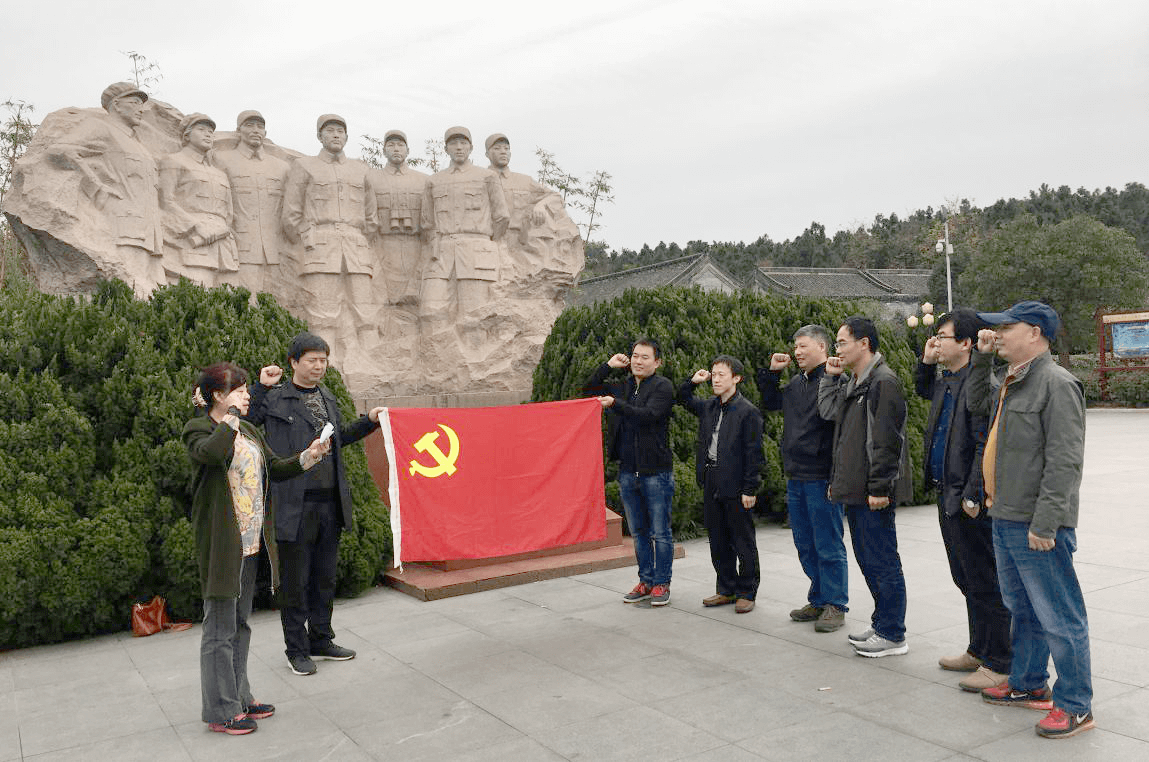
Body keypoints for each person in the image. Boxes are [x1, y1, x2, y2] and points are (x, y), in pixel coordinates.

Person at [967, 301, 1094, 739]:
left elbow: (1064, 461)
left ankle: (1075, 705)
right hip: (1005, 514)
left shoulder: (1057, 384)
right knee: (1022, 609)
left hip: (1036, 524)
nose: (998, 334)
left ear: (1035, 333)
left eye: (1007, 327)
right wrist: (982, 357)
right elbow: (975, 403)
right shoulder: (1012, 380)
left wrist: (1047, 523)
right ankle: (1028, 682)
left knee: (1059, 615)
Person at [184, 362, 329, 734]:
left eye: (246, 389)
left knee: (240, 624)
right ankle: (220, 710)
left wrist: (309, 455)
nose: (247, 396)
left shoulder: (247, 429)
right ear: (218, 395)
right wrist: (230, 418)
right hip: (222, 544)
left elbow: (274, 467)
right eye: (240, 390)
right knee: (219, 629)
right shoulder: (199, 429)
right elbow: (213, 454)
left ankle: (240, 697)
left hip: (251, 543)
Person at [246, 332, 385, 676]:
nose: (319, 366)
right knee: (295, 583)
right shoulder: (276, 398)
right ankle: (296, 649)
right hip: (294, 505)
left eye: (323, 360)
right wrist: (260, 386)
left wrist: (369, 420)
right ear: (294, 362)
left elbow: (338, 439)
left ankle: (321, 638)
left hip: (329, 504)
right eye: (312, 360)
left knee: (324, 578)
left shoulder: (326, 397)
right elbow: (248, 422)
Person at [915, 308, 1011, 692]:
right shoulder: (948, 380)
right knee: (965, 576)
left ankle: (1000, 661)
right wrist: (926, 363)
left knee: (984, 579)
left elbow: (983, 444)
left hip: (967, 496)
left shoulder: (980, 383)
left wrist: (974, 493)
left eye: (943, 337)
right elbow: (922, 390)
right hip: (947, 491)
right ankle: (978, 648)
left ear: (967, 343)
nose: (936, 342)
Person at [818, 315, 912, 657]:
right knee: (869, 560)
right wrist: (831, 379)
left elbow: (887, 441)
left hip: (873, 492)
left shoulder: (883, 382)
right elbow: (838, 426)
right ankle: (882, 621)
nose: (838, 349)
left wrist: (879, 488)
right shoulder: (857, 382)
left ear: (864, 344)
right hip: (856, 489)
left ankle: (893, 633)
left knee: (882, 560)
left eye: (842, 342)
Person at [758, 325, 847, 632]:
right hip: (796, 474)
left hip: (821, 476)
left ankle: (836, 604)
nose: (797, 352)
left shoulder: (834, 380)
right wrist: (772, 374)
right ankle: (819, 598)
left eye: (803, 346)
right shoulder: (797, 383)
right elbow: (771, 403)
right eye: (795, 346)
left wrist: (836, 477)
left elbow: (838, 427)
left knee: (828, 544)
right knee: (805, 543)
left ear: (822, 347)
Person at [49, 82, 164, 295]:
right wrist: (96, 187)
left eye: (142, 104)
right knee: (130, 289)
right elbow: (60, 150)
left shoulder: (136, 142)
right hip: (123, 224)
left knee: (149, 291)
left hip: (149, 229)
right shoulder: (100, 127)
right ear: (117, 104)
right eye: (135, 102)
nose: (141, 109)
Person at [583, 339, 675, 606]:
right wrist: (607, 366)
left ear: (657, 362)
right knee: (638, 532)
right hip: (627, 471)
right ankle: (645, 581)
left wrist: (615, 405)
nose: (638, 361)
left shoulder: (663, 387)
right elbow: (588, 390)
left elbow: (648, 415)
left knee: (660, 532)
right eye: (635, 356)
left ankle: (661, 583)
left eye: (645, 357)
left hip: (655, 472)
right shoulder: (622, 386)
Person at [282, 115, 376, 360]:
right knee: (323, 312)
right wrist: (308, 240)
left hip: (356, 246)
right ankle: (325, 364)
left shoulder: (361, 170)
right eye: (330, 130)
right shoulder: (304, 166)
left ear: (347, 136)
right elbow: (291, 215)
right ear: (319, 136)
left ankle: (369, 362)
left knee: (365, 309)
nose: (336, 135)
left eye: (340, 131)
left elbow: (371, 216)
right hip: (320, 247)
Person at [680, 355, 764, 613]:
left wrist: (750, 488)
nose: (715, 380)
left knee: (742, 540)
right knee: (717, 538)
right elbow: (682, 398)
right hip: (711, 479)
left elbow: (754, 454)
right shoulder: (709, 406)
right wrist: (693, 382)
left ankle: (746, 591)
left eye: (721, 375)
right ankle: (726, 589)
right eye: (713, 374)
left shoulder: (748, 412)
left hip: (736, 483)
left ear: (736, 378)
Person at [419, 127, 509, 343]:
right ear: (446, 149)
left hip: (476, 252)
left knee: (474, 316)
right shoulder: (434, 181)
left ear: (471, 147)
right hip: (442, 252)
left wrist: (485, 243)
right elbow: (426, 222)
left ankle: (477, 357)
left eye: (463, 143)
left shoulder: (487, 177)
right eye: (453, 143)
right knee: (430, 308)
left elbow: (502, 217)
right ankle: (438, 357)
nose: (459, 147)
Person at [213, 110, 292, 296]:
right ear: (238, 131)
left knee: (275, 304)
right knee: (244, 301)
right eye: (249, 125)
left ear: (265, 133)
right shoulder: (222, 159)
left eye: (260, 126)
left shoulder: (282, 167)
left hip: (276, 250)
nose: (256, 130)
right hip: (239, 247)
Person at [364, 129, 429, 349]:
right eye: (391, 145)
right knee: (383, 296)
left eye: (400, 145)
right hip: (384, 244)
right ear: (384, 150)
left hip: (414, 245)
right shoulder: (371, 178)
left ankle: (413, 345)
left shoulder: (423, 181)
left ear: (408, 150)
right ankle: (385, 345)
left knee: (414, 296)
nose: (396, 149)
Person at [158, 113, 238, 286]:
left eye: (210, 132)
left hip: (223, 246)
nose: (208, 134)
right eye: (201, 129)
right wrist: (196, 226)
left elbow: (229, 213)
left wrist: (222, 229)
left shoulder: (220, 174)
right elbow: (166, 201)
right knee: (199, 292)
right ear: (187, 135)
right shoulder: (173, 161)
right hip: (192, 242)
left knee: (231, 296)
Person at [483, 133, 560, 282]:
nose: (503, 152)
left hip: (519, 244)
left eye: (506, 148)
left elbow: (555, 197)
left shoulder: (524, 181)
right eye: (497, 148)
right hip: (490, 242)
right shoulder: (480, 180)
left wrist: (541, 205)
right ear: (487, 154)